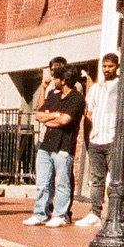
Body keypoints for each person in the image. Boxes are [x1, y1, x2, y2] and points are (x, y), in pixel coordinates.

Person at [25, 59, 86, 228]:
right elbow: (38, 114)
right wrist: (55, 115)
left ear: (64, 80)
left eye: (56, 78)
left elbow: (65, 120)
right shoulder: (53, 95)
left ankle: (61, 214)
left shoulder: (77, 99)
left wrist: (52, 117)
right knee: (43, 182)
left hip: (64, 146)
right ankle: (40, 213)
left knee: (62, 183)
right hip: (46, 145)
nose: (54, 80)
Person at [77, 52, 120, 231]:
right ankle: (95, 213)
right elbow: (89, 113)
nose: (107, 69)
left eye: (110, 66)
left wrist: (120, 136)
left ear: (117, 66)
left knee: (115, 180)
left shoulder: (123, 86)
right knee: (96, 179)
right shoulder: (96, 88)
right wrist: (88, 137)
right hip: (96, 138)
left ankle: (114, 215)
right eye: (104, 66)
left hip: (112, 139)